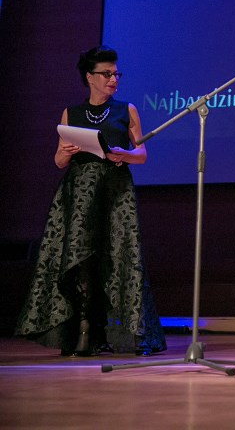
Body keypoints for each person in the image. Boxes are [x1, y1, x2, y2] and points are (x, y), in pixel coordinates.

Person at [16, 46, 167, 357]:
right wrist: (65, 153)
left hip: (115, 191)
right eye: (107, 74)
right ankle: (84, 331)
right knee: (81, 258)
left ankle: (122, 332)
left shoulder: (126, 110)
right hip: (80, 193)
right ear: (90, 77)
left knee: (118, 255)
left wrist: (124, 154)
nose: (113, 79)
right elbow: (59, 160)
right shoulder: (71, 113)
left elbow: (141, 154)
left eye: (116, 73)